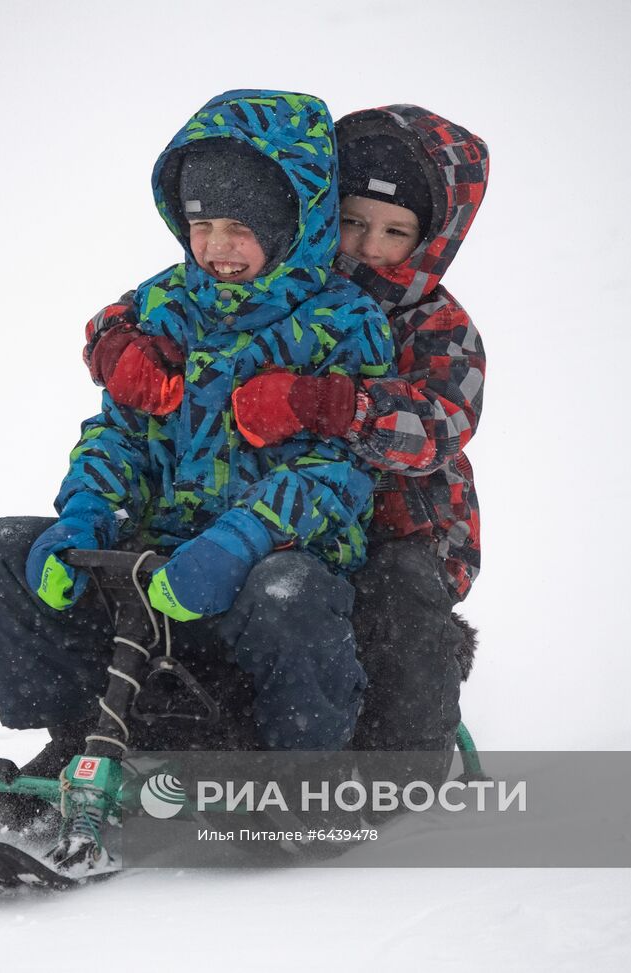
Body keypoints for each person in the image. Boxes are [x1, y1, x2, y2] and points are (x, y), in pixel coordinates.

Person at [0, 90, 394, 773]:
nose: (216, 247)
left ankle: (301, 774)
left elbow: (338, 474)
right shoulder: (162, 305)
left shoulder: (345, 323)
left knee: (289, 591)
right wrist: (86, 511)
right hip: (159, 564)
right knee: (1, 551)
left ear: (294, 222)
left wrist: (241, 539)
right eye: (202, 223)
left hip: (267, 562)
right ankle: (79, 735)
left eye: (240, 226)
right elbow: (120, 433)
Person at [86, 105, 489, 784]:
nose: (366, 246)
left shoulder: (437, 324)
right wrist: (114, 342)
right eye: (353, 222)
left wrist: (328, 403)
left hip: (402, 523)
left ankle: (398, 760)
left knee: (396, 604)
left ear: (431, 240)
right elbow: (152, 303)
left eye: (394, 232)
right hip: (270, 501)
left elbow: (442, 422)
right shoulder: (280, 281)